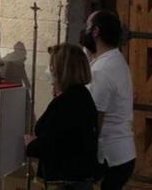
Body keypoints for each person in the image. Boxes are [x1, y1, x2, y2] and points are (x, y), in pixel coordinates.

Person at [24, 44, 98, 189]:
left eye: (51, 66)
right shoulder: (80, 95)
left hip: (65, 180)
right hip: (76, 177)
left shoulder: (68, 102)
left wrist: (31, 145)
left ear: (62, 70)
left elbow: (53, 142)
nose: (49, 70)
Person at [80, 10, 135, 190]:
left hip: (110, 156)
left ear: (95, 31)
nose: (84, 31)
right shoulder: (115, 59)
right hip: (122, 152)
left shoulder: (102, 69)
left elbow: (96, 119)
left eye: (87, 26)